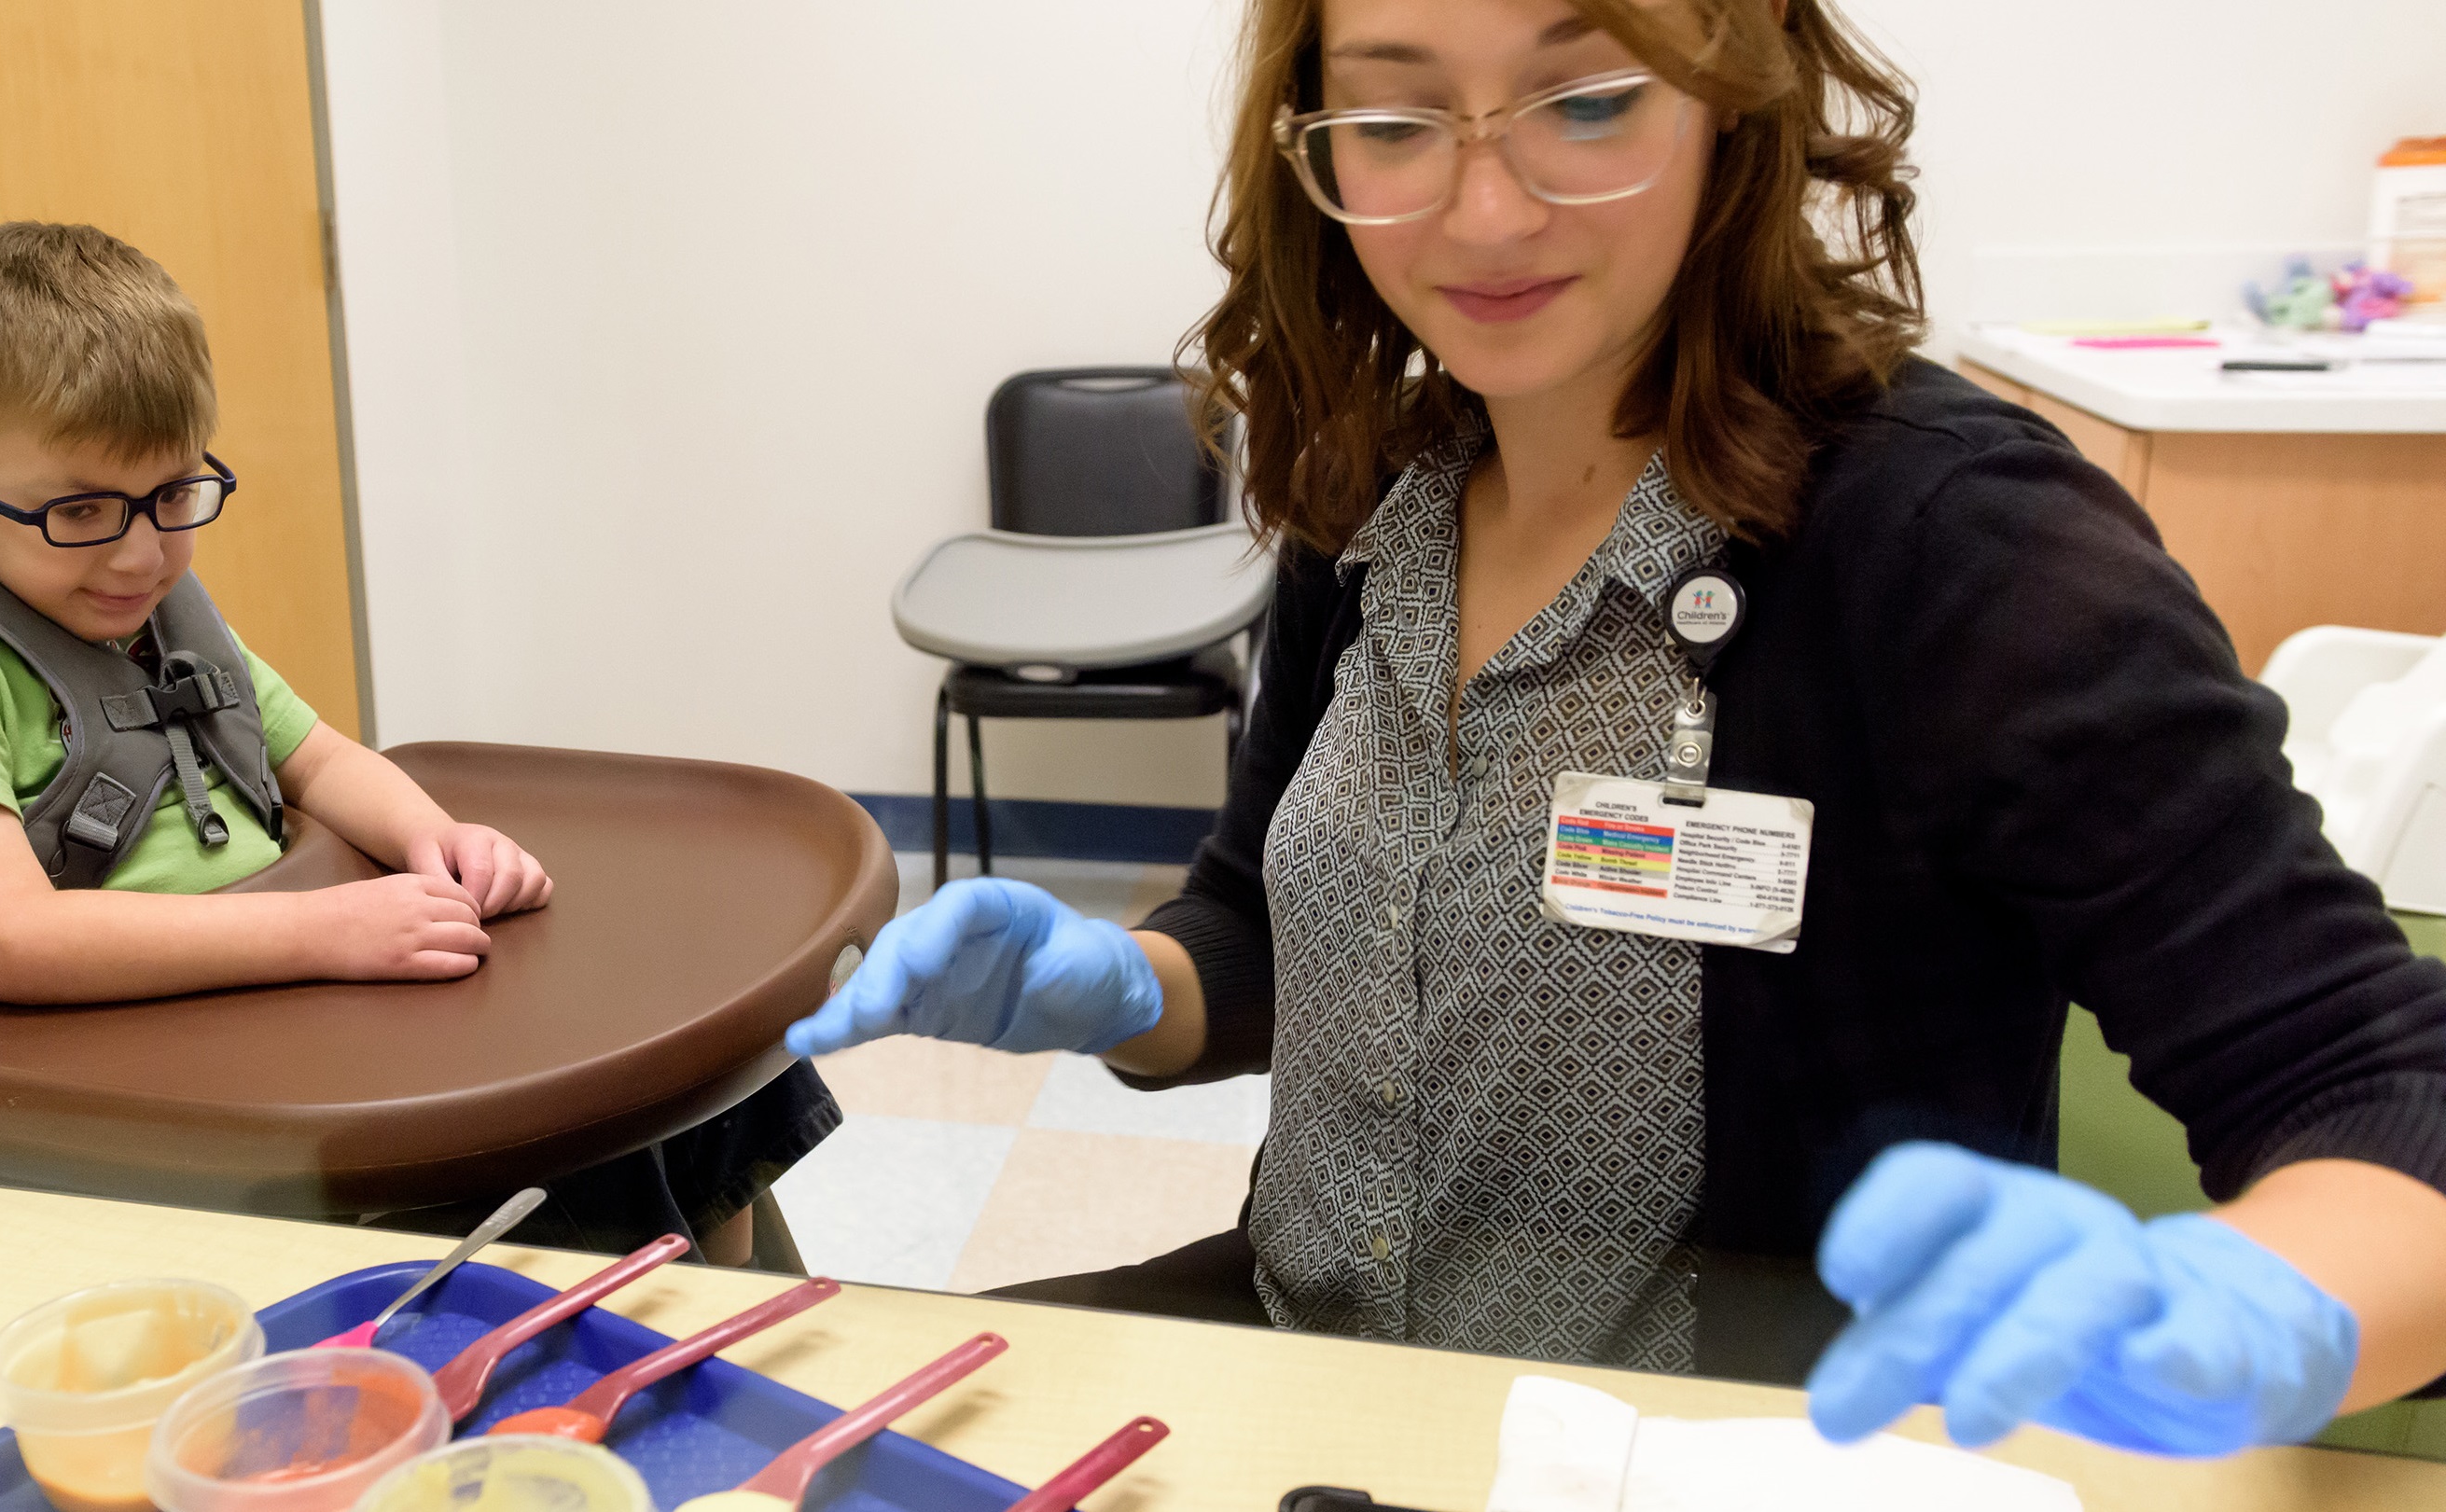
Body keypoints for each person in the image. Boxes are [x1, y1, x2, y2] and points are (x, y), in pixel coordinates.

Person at [788, 0, 2446, 1458]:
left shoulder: (1957, 551)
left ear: (1730, 98)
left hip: (1706, 1445)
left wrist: (2246, 1308)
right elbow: (1269, 929)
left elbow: (2385, 1091)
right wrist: (1129, 990)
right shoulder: (1377, 486)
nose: (1482, 208)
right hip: (1313, 1365)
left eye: (1583, 101)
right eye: (1390, 117)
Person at [0, 222, 832, 1261]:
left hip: (286, 1003)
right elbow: (9, 940)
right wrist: (328, 930)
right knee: (563, 1155)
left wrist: (439, 840)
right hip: (126, 1061)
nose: (140, 551)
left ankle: (730, 1317)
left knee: (663, 1067)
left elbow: (318, 759)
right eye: (79, 510)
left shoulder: (149, 614)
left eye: (172, 496)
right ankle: (655, 1356)